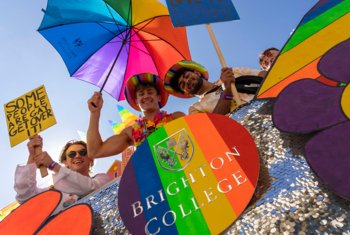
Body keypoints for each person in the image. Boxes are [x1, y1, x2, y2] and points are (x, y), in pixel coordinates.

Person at [87, 73, 185, 158]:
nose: (146, 96)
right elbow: (95, 152)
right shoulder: (131, 132)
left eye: (150, 92)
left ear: (159, 97)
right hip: (155, 177)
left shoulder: (176, 118)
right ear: (137, 102)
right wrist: (94, 113)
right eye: (141, 94)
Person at [14, 135, 111, 214]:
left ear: (90, 158)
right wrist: (32, 157)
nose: (77, 155)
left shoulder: (101, 179)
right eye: (72, 154)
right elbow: (26, 197)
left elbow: (91, 188)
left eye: (83, 152)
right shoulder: (53, 192)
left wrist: (53, 165)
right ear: (65, 162)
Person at [164, 60, 262, 115]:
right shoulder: (195, 109)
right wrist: (227, 91)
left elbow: (265, 75)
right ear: (187, 93)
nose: (187, 81)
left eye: (187, 76)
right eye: (182, 84)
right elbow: (214, 126)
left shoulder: (233, 72)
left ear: (197, 73)